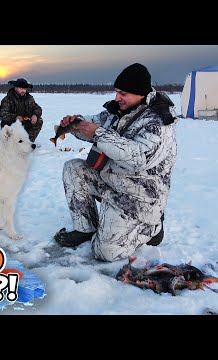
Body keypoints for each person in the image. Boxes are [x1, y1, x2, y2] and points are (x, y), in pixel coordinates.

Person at [53, 63, 177, 262]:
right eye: (117, 92)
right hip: (113, 181)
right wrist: (76, 123)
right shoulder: (118, 111)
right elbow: (95, 121)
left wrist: (98, 134)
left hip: (140, 196)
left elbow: (139, 157)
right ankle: (86, 228)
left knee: (106, 252)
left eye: (123, 93)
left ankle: (152, 228)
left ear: (140, 93)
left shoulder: (158, 121)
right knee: (74, 169)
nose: (117, 98)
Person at [0, 78, 43, 142]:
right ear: (15, 88)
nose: (23, 91)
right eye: (21, 89)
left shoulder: (29, 98)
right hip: (11, 124)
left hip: (25, 122)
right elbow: (2, 113)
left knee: (39, 121)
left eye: (25, 89)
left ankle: (28, 142)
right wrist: (15, 117)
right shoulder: (7, 99)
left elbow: (38, 108)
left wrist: (35, 115)